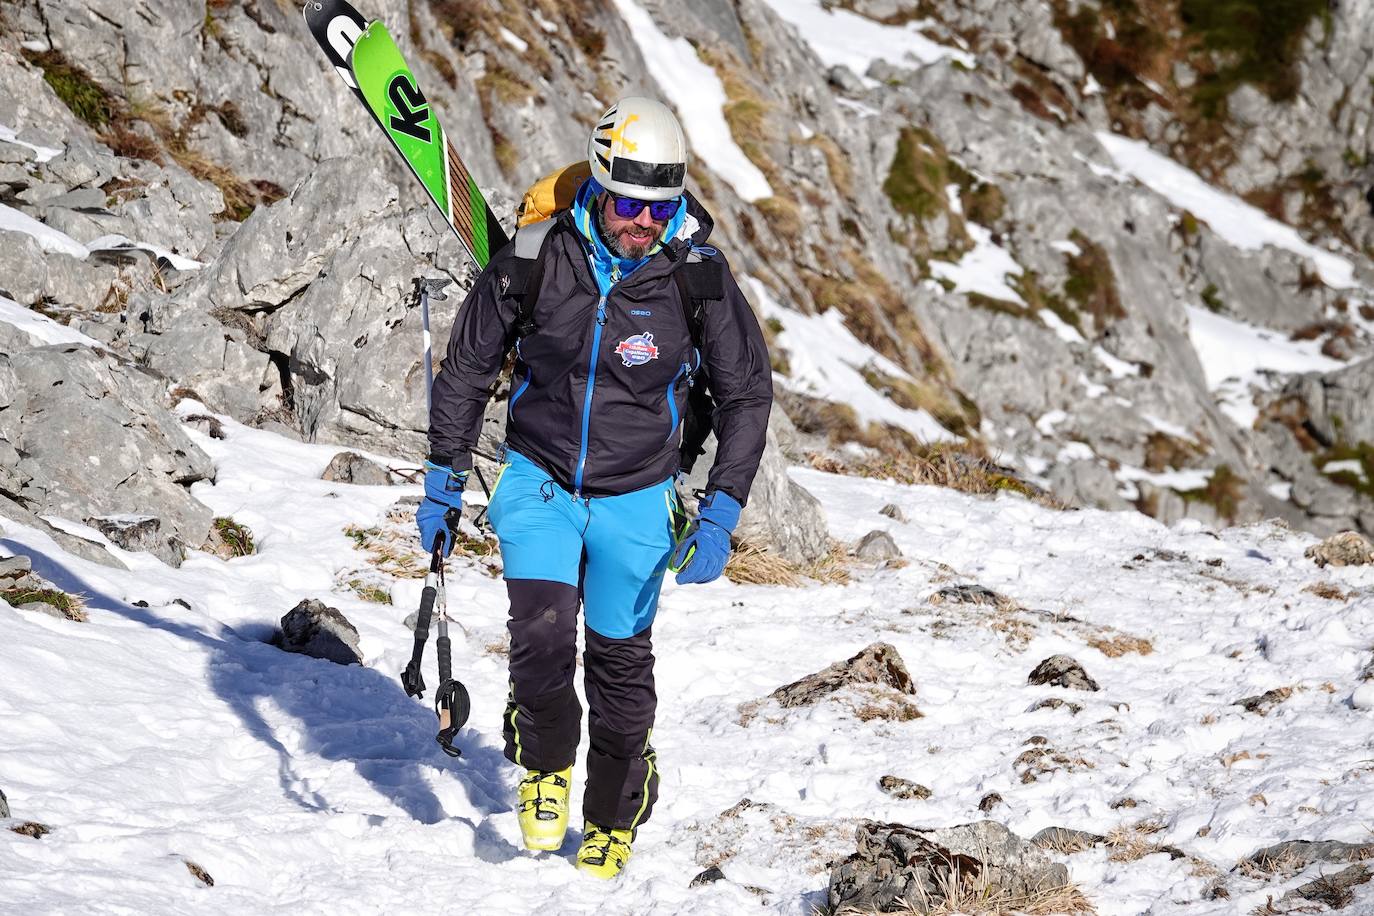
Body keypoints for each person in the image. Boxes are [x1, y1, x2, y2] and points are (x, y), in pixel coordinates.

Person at [416, 96, 771, 879]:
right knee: (541, 638)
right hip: (540, 479)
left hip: (639, 495)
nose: (643, 223)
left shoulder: (699, 278)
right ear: (598, 188)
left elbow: (745, 394)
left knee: (619, 667)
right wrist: (444, 477)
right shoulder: (537, 256)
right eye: (627, 205)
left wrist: (722, 508)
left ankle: (614, 811)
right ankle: (544, 766)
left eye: (660, 209)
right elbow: (471, 364)